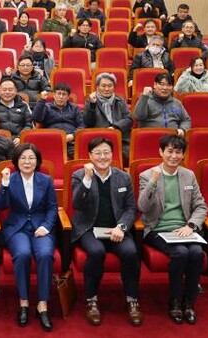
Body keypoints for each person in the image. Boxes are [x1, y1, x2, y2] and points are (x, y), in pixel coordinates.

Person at [71, 138, 142, 327]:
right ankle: (91, 300)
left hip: (116, 229)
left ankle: (132, 299)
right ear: (90, 155)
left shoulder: (123, 177)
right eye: (98, 153)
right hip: (89, 228)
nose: (102, 157)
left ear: (112, 154)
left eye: (106, 152)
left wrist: (122, 227)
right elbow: (77, 204)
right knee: (96, 252)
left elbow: (131, 208)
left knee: (131, 252)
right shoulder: (79, 175)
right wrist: (87, 180)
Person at [138, 135, 208, 325]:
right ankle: (175, 301)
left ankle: (189, 302)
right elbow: (142, 207)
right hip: (158, 229)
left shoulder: (188, 175)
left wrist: (191, 226)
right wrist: (153, 182)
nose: (174, 156)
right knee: (180, 253)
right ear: (161, 152)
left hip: (184, 229)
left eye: (178, 152)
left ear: (183, 154)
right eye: (169, 151)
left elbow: (201, 206)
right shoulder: (147, 175)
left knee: (196, 253)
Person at [0, 143, 57, 331]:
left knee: (45, 254)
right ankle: (23, 302)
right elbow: (1, 206)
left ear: (37, 161)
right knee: (22, 254)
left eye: (31, 158)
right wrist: (4, 184)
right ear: (16, 161)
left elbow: (52, 207)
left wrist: (46, 226)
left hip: (40, 227)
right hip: (17, 228)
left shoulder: (46, 180)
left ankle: (42, 304)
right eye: (23, 158)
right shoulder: (11, 179)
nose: (27, 161)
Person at [84, 72, 133, 160]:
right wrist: (92, 104)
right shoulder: (90, 101)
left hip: (120, 139)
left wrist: (115, 127)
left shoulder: (120, 100)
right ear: (97, 87)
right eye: (103, 86)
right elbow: (88, 123)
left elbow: (129, 119)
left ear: (114, 87)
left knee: (130, 154)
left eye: (110, 86)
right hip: (99, 140)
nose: (106, 89)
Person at [33, 83, 85, 158]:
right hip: (52, 139)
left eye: (64, 94)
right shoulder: (46, 107)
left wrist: (73, 135)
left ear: (68, 97)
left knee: (80, 156)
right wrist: (42, 100)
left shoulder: (74, 108)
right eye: (59, 93)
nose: (61, 97)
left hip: (70, 140)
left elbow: (82, 125)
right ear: (54, 95)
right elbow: (37, 118)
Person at [133, 72, 191, 136]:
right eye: (162, 84)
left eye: (169, 85)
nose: (165, 88)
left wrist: (182, 129)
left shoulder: (176, 103)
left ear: (172, 87)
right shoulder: (146, 100)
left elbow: (186, 120)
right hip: (151, 137)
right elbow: (138, 116)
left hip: (172, 139)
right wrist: (144, 96)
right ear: (155, 85)